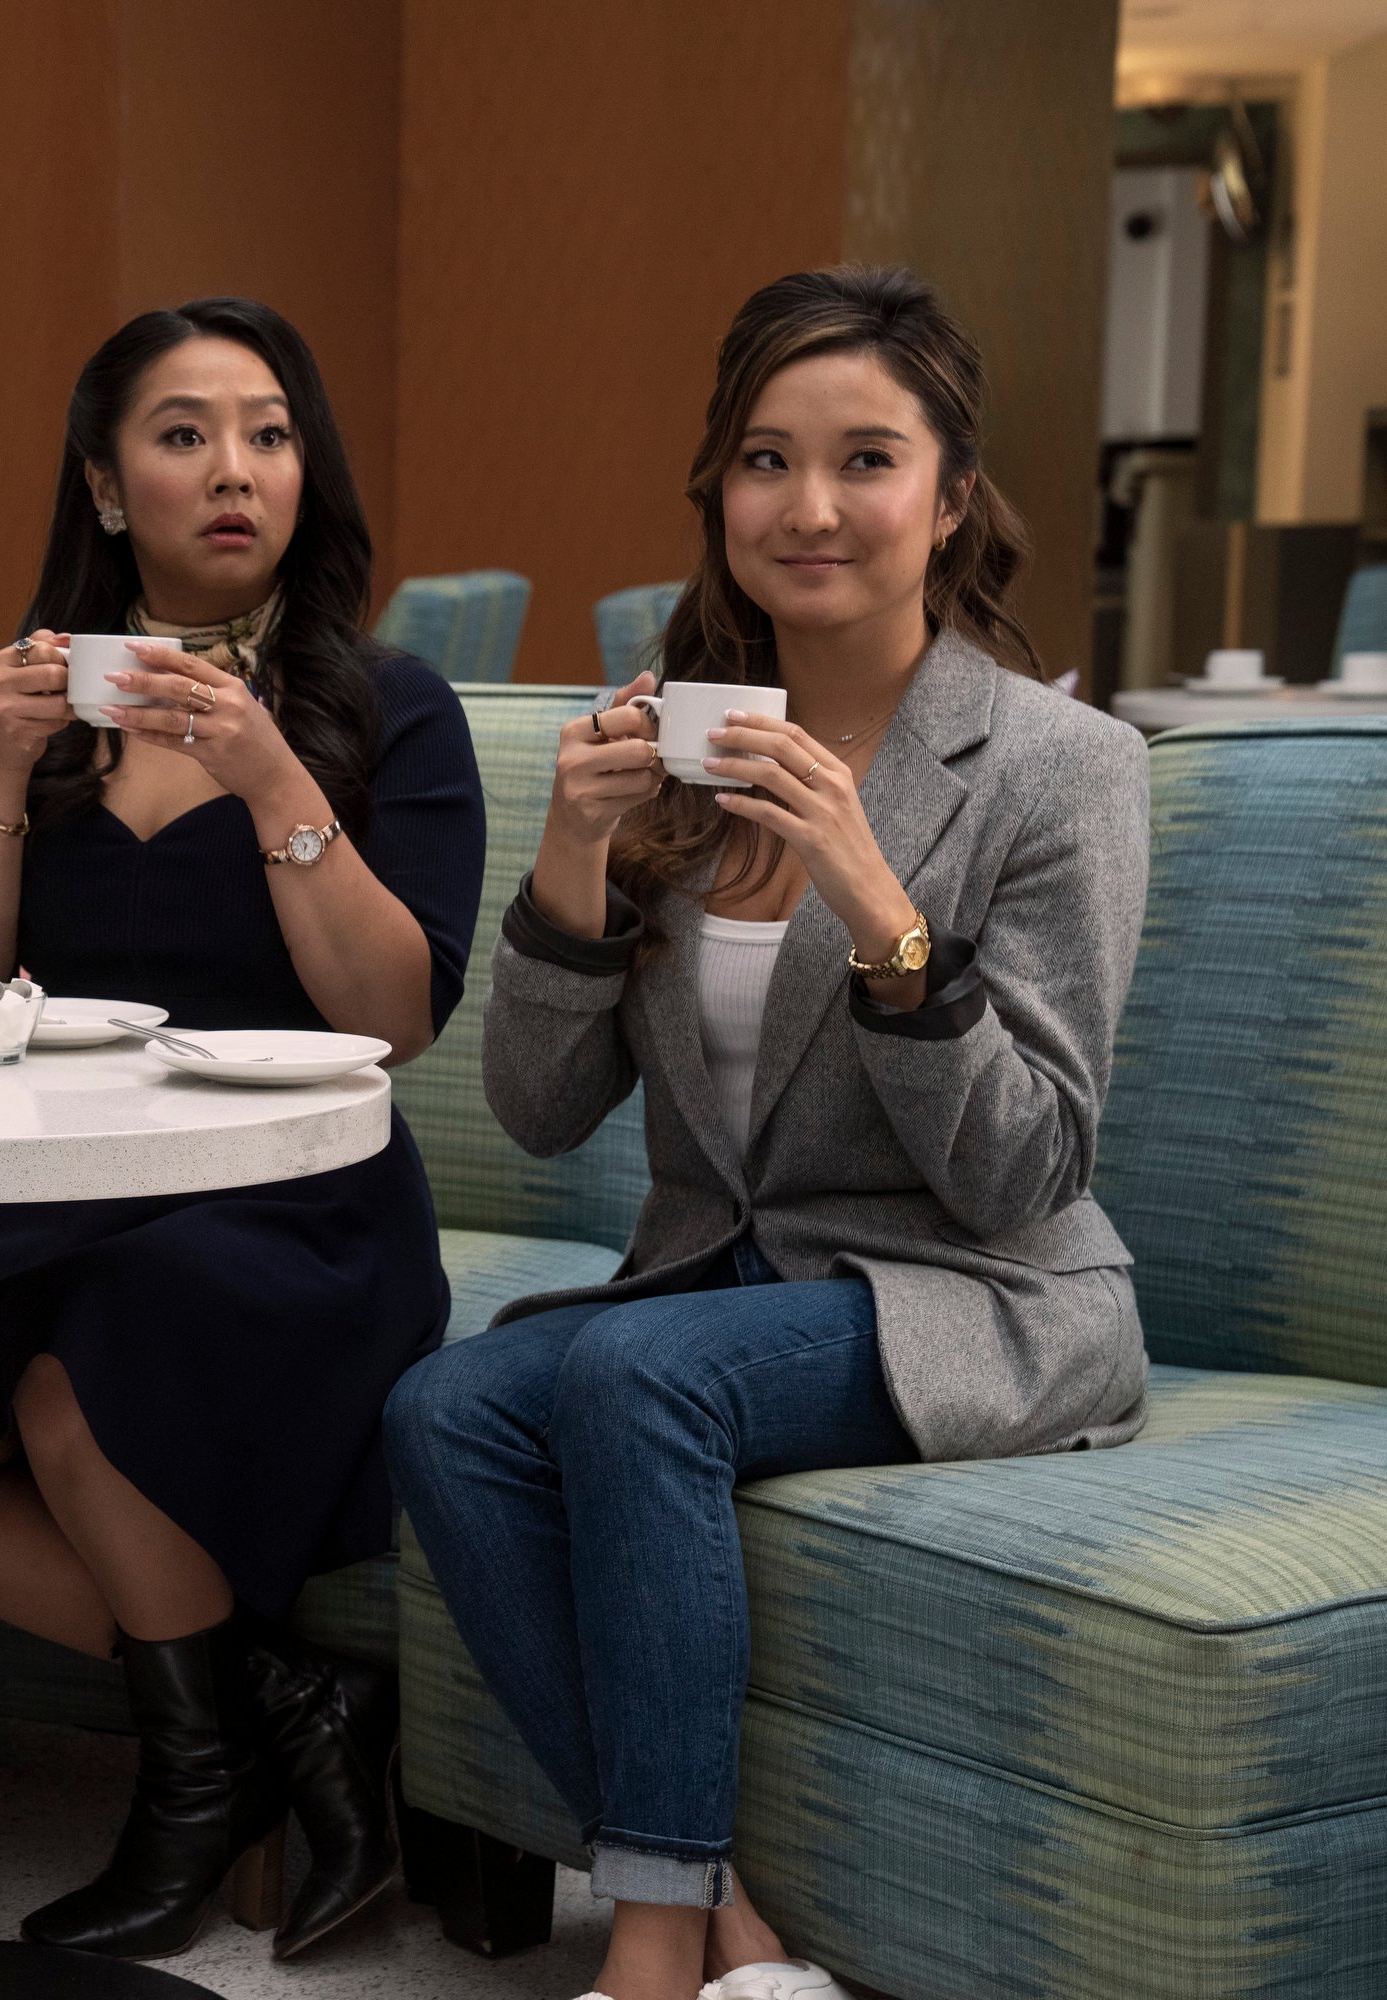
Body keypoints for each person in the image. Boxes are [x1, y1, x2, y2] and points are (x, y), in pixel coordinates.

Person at [384, 266, 1151, 2000]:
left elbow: (1026, 1169)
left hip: (979, 1294)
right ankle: (720, 1904)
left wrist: (877, 904)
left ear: (950, 499)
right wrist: (572, 864)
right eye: (764, 461)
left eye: (866, 460)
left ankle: (651, 1944)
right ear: (716, 497)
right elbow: (538, 1106)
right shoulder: (673, 740)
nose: (809, 508)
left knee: (629, 1377)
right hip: (735, 1280)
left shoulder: (1058, 770)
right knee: (443, 1407)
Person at [0, 297, 487, 1963]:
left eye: (267, 433)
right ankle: (289, 1712)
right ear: (107, 489)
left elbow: (390, 1019)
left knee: (68, 1373)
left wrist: (274, 786)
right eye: (183, 436)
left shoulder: (391, 709)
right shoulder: (19, 710)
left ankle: (191, 1790)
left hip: (298, 1206)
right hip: (68, 1184)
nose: (233, 471)